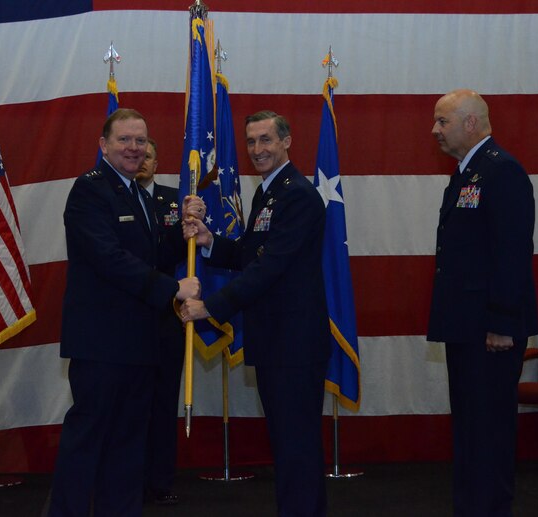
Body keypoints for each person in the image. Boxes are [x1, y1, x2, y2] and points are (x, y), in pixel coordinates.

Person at [49, 108, 204, 517]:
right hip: (101, 344)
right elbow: (110, 258)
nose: (134, 148)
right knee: (88, 441)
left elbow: (153, 254)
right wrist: (172, 288)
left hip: (140, 343)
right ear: (103, 145)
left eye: (140, 141)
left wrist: (188, 230)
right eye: (125, 140)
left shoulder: (139, 194)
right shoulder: (90, 190)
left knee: (128, 447)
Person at [180, 111, 330, 517]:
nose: (258, 149)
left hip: (294, 345)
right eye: (251, 142)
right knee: (288, 445)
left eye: (266, 140)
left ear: (286, 141)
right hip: (276, 341)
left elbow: (270, 267)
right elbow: (252, 253)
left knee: (296, 448)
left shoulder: (296, 193)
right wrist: (211, 241)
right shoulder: (269, 192)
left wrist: (210, 306)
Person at [427, 89, 538, 516]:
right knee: (471, 431)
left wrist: (502, 322)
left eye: (443, 121)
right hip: (464, 326)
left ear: (470, 123)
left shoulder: (502, 171)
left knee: (489, 432)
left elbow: (512, 252)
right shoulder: (466, 172)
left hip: (489, 330)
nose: (434, 130)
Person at [135, 138, 184, 506]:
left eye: (148, 155)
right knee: (131, 402)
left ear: (156, 161)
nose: (141, 161)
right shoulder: (114, 198)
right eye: (137, 155)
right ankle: (129, 478)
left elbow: (179, 253)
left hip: (167, 312)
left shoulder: (175, 201)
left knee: (165, 401)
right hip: (130, 312)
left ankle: (160, 482)